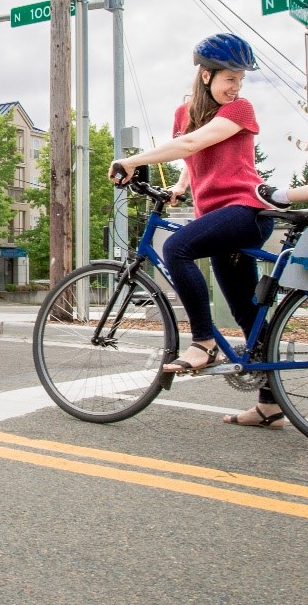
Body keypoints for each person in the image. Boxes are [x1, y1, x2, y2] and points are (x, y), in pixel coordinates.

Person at [108, 33, 282, 429]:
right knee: (246, 312)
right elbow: (193, 152)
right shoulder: (183, 113)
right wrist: (180, 189)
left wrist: (132, 160)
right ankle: (271, 405)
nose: (236, 87)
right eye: (229, 79)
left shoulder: (240, 109)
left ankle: (203, 341)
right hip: (221, 217)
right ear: (205, 76)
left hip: (246, 211)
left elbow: (193, 144)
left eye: (240, 80)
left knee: (176, 249)